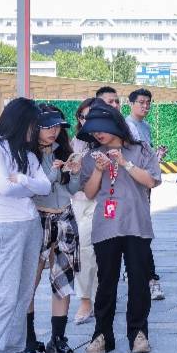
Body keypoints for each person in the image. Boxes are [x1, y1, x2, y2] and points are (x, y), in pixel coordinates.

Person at [78, 102, 162, 353]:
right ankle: (102, 335)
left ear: (114, 125)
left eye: (100, 130)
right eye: (93, 132)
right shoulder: (92, 157)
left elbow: (151, 181)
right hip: (106, 226)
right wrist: (99, 170)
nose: (97, 135)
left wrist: (125, 163)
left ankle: (138, 333)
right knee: (106, 282)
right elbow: (90, 193)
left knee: (138, 281)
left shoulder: (140, 150)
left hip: (136, 224)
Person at [23, 106, 81, 353]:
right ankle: (29, 339)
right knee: (30, 282)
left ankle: (58, 338)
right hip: (39, 218)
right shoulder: (26, 155)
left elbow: (72, 189)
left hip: (65, 217)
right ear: (35, 127)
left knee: (63, 280)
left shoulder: (64, 150)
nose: (54, 132)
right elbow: (37, 188)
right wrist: (56, 170)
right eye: (48, 127)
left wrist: (75, 171)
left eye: (57, 127)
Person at [0, 99, 50, 353]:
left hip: (31, 225)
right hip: (7, 225)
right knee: (6, 293)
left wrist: (23, 181)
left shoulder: (28, 155)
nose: (36, 128)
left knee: (23, 292)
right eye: (33, 123)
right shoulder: (0, 149)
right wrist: (23, 184)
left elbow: (44, 185)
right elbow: (4, 189)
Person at [126, 88, 165, 302]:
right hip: (130, 187)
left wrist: (156, 157)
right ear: (130, 103)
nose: (145, 106)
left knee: (140, 231)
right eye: (141, 102)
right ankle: (149, 278)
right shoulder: (127, 126)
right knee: (139, 233)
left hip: (144, 185)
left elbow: (145, 156)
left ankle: (137, 271)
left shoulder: (146, 127)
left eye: (148, 103)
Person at [71, 98, 99, 326]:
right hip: (78, 202)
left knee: (92, 250)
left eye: (90, 116)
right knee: (84, 251)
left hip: (102, 202)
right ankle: (86, 299)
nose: (86, 121)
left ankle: (91, 298)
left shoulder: (109, 141)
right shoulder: (76, 143)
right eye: (82, 116)